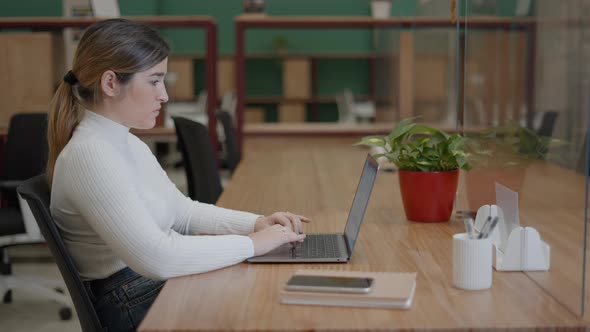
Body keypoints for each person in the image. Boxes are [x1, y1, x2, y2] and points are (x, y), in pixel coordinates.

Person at [46, 18, 310, 332]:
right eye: (155, 81)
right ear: (111, 83)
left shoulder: (124, 142)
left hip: (143, 287)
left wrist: (256, 223)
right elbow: (156, 258)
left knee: (271, 290)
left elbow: (182, 212)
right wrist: (253, 244)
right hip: (131, 299)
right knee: (268, 303)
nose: (164, 95)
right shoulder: (90, 155)